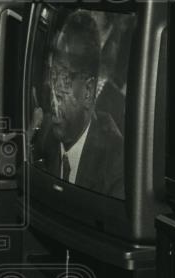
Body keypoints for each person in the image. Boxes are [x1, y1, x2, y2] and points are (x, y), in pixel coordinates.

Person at [30, 11, 125, 198]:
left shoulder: (115, 162)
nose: (54, 97)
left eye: (65, 80)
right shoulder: (42, 134)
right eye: (53, 76)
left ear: (89, 91)